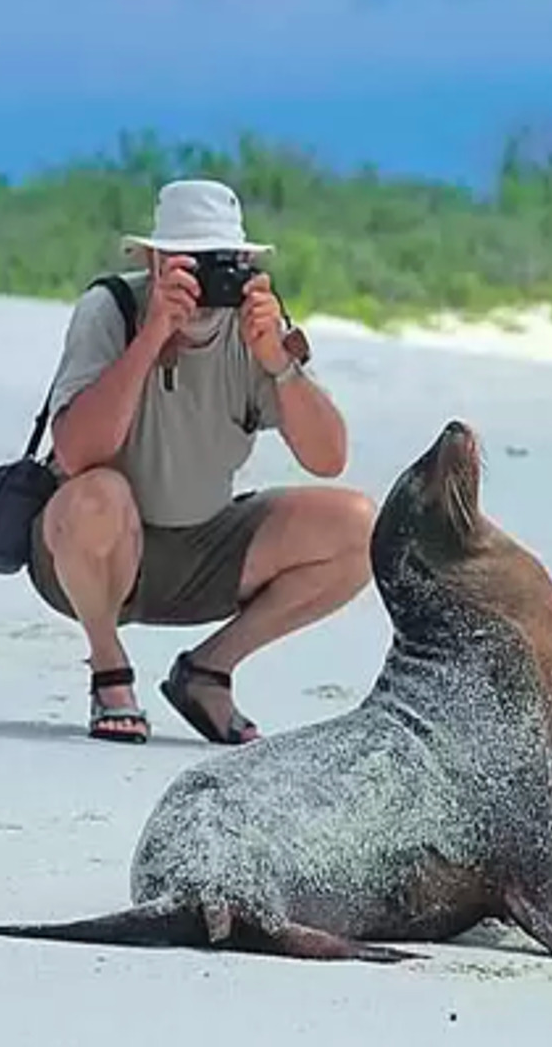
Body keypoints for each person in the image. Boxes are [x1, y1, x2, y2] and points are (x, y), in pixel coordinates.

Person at [29, 178, 375, 745]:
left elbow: (328, 457)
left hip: (205, 547)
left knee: (360, 528)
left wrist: (278, 364)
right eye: (189, 263)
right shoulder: (112, 310)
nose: (206, 282)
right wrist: (152, 337)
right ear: (157, 262)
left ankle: (209, 672)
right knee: (99, 495)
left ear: (243, 264)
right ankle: (108, 670)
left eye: (219, 264)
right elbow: (75, 452)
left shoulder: (256, 328)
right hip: (86, 550)